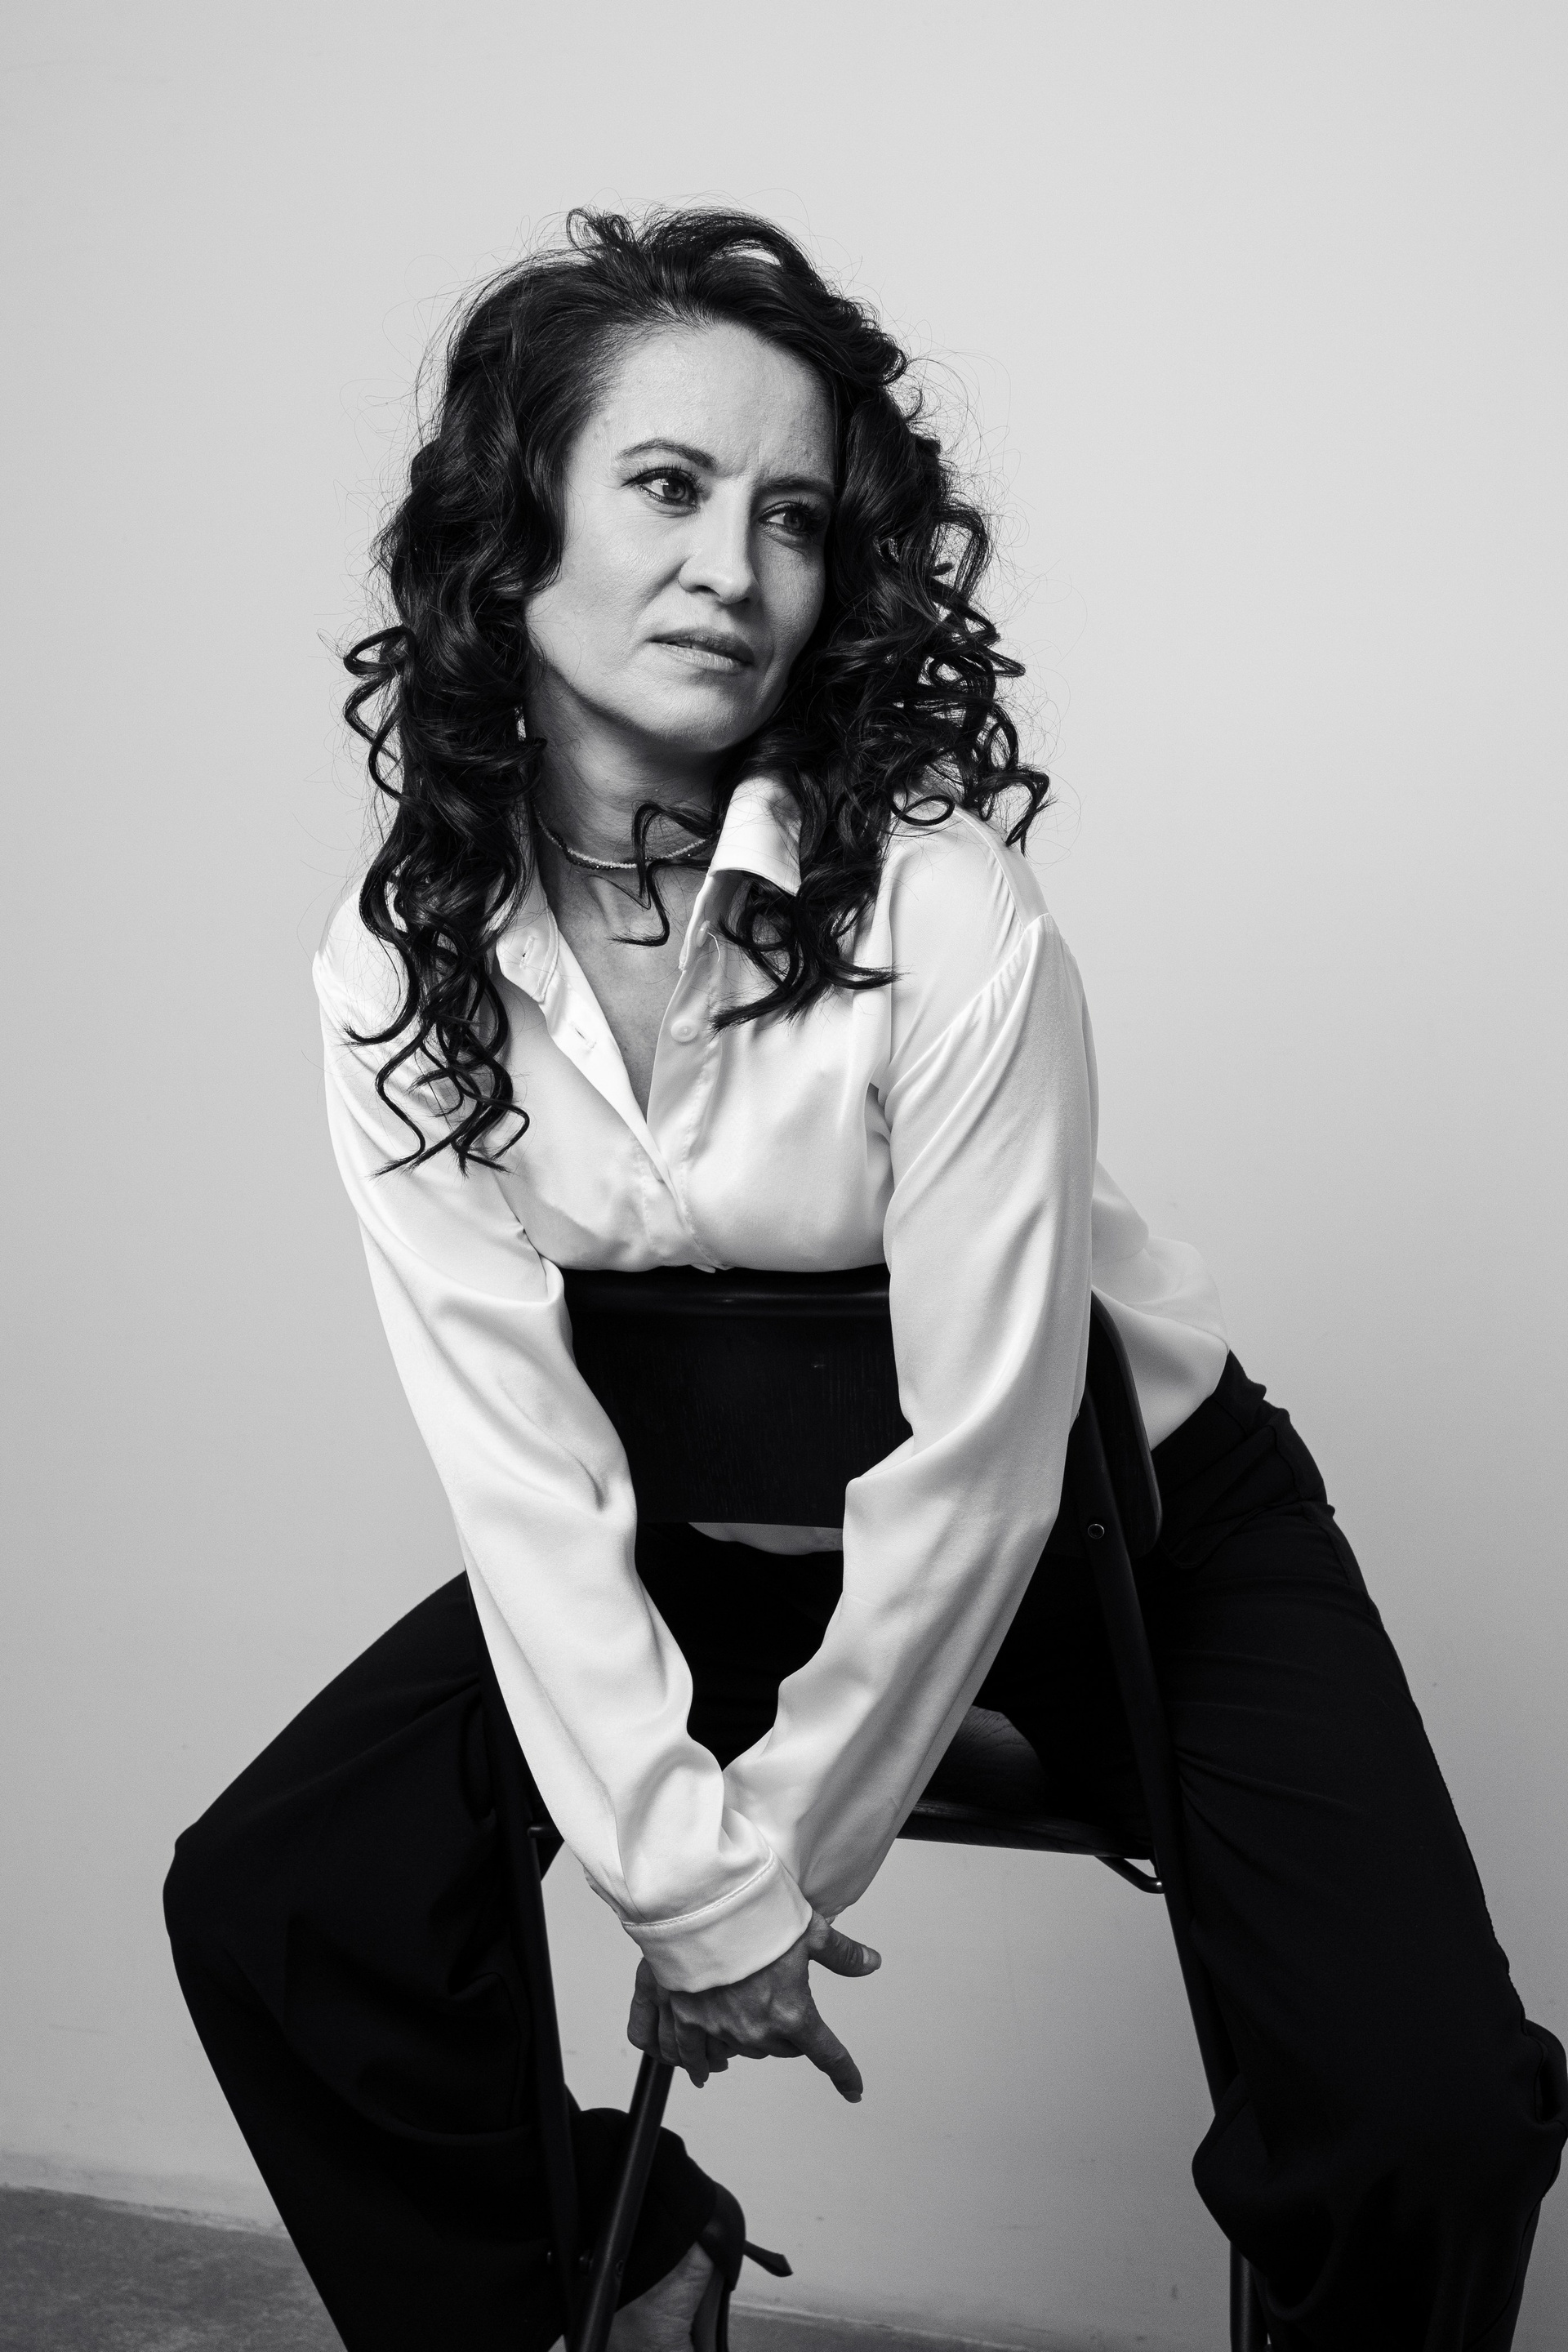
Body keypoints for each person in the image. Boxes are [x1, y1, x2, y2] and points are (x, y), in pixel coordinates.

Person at [163, 207, 1564, 2352]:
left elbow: (988, 1468)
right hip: (708, 1542)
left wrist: (768, 1874)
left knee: (1429, 2117)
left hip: (1130, 1537)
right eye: (667, 486)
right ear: (512, 531)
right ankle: (621, 2265)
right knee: (289, 1897)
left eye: (793, 516)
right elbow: (521, 1466)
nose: (735, 565)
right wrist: (685, 1876)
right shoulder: (397, 963)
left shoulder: (943, 912)